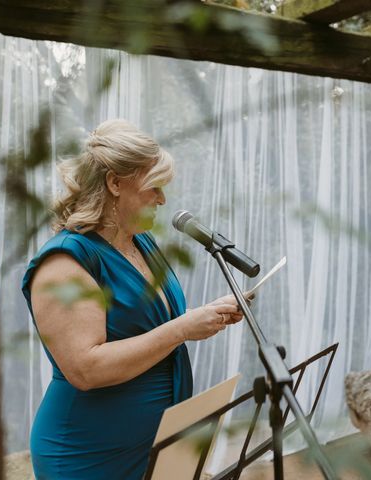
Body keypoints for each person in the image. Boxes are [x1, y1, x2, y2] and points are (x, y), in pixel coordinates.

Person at [21, 119, 245, 479]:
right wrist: (183, 328)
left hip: (159, 441)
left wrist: (204, 315)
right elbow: (85, 369)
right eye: (154, 186)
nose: (162, 199)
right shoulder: (66, 260)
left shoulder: (142, 242)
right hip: (89, 452)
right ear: (114, 183)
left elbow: (147, 325)